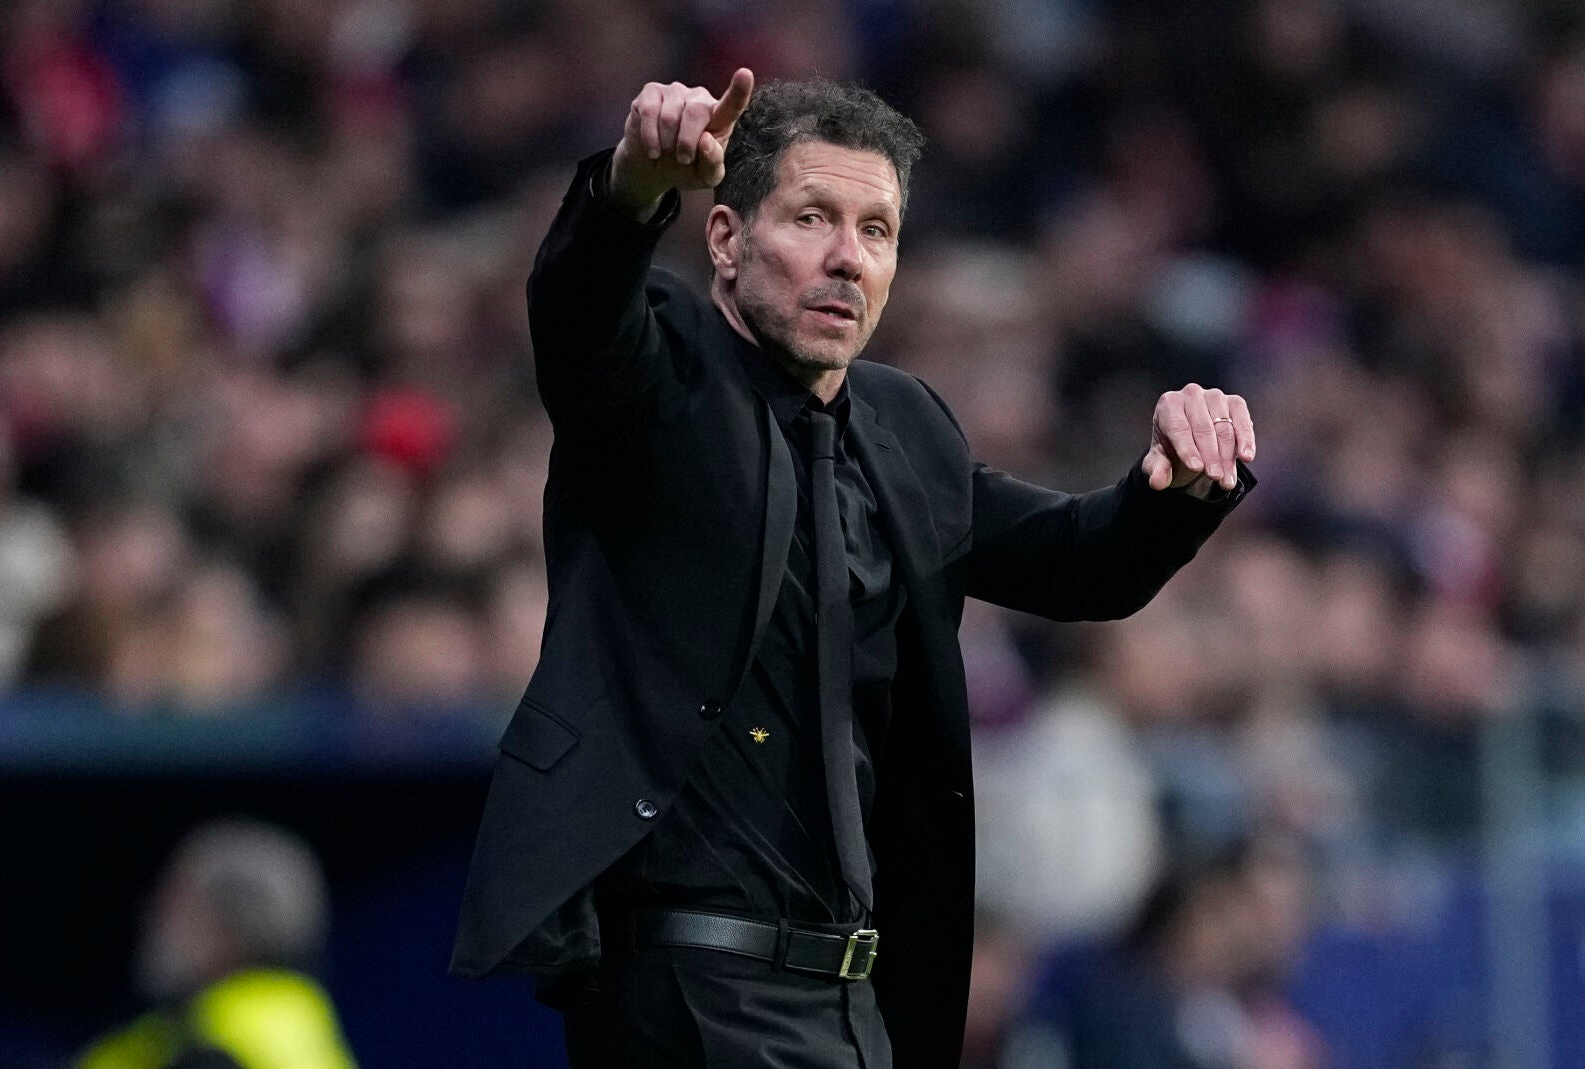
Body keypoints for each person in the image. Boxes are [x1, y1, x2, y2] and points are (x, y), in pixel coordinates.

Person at [449, 68, 1258, 1069]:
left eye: (876, 230)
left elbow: (1078, 566)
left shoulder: (904, 427)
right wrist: (630, 192)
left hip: (853, 996)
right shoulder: (658, 372)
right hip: (687, 981)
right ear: (725, 239)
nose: (847, 257)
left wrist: (1176, 491)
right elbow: (578, 310)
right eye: (812, 218)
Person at [77, 820, 358, 1069]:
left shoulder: (210, 1046)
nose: (151, 917)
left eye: (174, 903)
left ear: (229, 927)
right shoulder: (297, 1023)